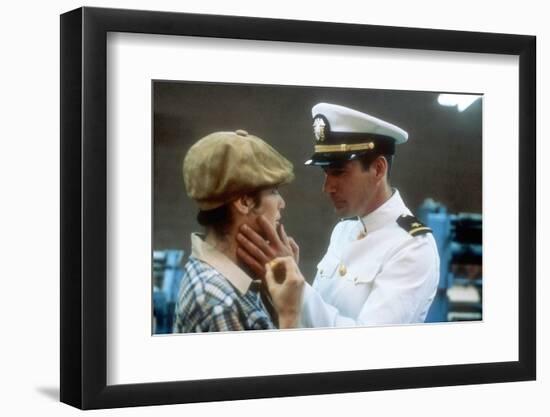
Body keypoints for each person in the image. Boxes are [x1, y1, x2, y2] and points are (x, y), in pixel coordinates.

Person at [236, 103, 440, 327]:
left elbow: (368, 346)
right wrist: (289, 284)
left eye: (339, 172)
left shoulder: (412, 247)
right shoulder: (343, 230)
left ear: (378, 169)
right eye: (326, 173)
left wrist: (297, 288)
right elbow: (315, 320)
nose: (327, 187)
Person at [173, 129, 305, 333]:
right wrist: (290, 314)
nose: (282, 203)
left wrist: (274, 289)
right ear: (244, 201)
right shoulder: (219, 302)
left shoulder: (225, 279)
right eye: (273, 191)